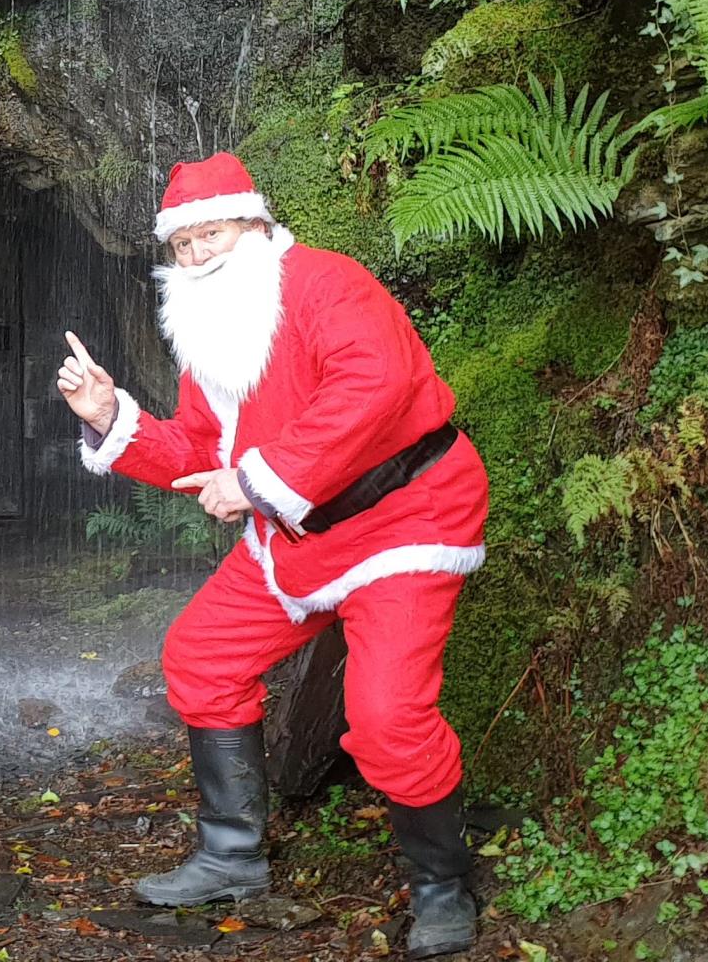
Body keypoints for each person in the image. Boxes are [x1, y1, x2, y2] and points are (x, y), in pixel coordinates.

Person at [55, 152, 488, 959]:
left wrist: (259, 479)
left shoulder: (329, 283)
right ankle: (231, 858)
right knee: (200, 659)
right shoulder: (210, 332)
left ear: (256, 227)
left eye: (211, 235)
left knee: (388, 718)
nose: (196, 257)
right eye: (181, 245)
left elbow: (374, 384)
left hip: (404, 518)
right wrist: (110, 415)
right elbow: (195, 449)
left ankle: (441, 885)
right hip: (297, 534)